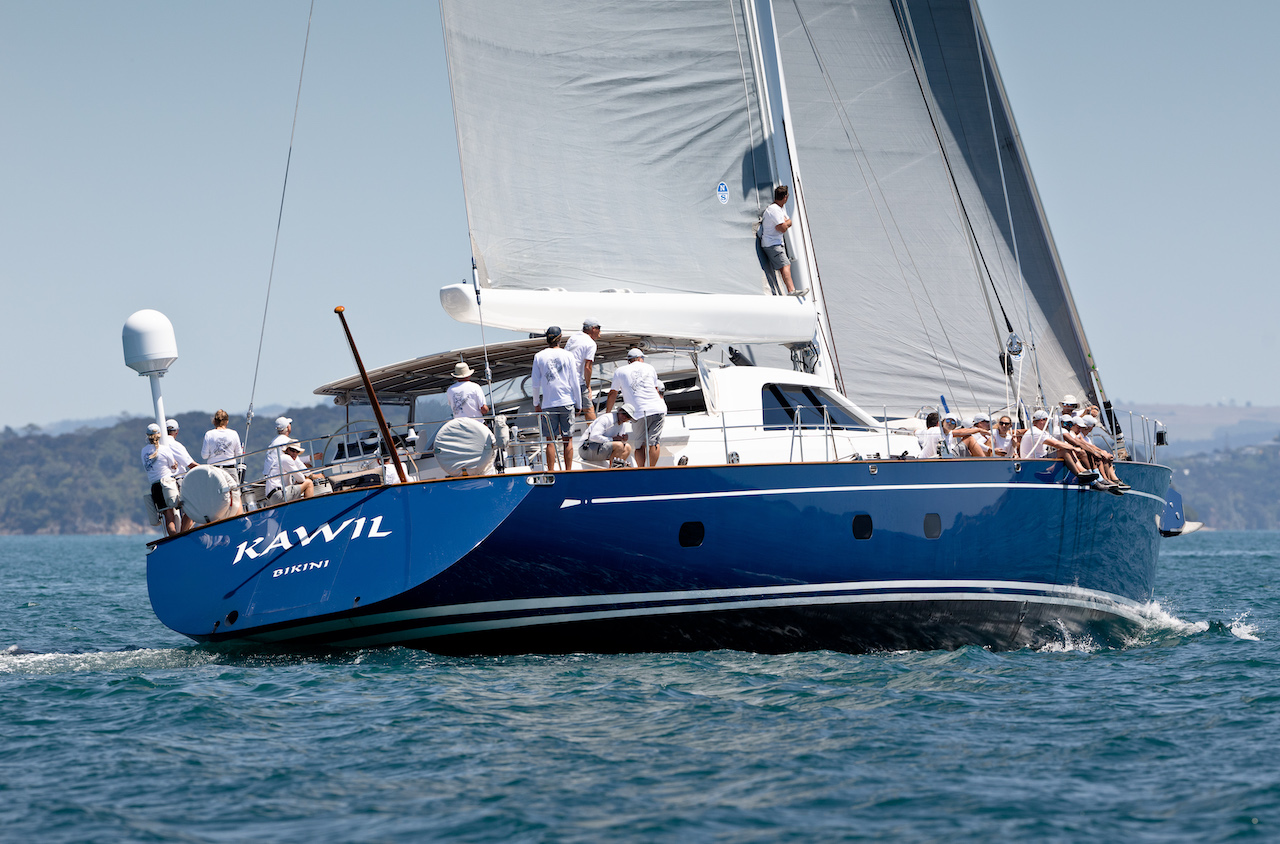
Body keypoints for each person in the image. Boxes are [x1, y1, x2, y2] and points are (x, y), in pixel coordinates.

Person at [606, 348, 667, 467]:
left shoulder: (620, 371)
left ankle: (641, 469)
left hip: (637, 412)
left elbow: (613, 393)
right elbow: (656, 389)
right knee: (653, 442)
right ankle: (652, 469)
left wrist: (608, 413)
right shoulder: (650, 367)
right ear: (640, 358)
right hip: (657, 409)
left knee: (639, 445)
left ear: (629, 360)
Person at [531, 325, 581, 470]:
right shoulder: (568, 355)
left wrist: (536, 403)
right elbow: (575, 381)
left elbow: (535, 383)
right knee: (568, 439)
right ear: (560, 338)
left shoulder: (539, 356)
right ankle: (568, 470)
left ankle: (551, 470)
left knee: (550, 440)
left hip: (548, 403)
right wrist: (578, 403)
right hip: (567, 401)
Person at [1019, 409, 1096, 483]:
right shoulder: (1036, 432)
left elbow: (1057, 442)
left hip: (1039, 459)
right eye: (1048, 421)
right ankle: (1078, 474)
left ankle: (1083, 471)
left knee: (1067, 449)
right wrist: (1074, 448)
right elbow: (1055, 444)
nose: (1048, 424)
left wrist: (1071, 448)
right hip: (1033, 462)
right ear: (1042, 420)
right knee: (1065, 451)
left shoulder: (1041, 432)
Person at [141, 424, 181, 536]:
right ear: (160, 435)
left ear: (147, 436)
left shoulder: (143, 451)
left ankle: (174, 538)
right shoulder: (165, 449)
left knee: (168, 516)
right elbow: (173, 467)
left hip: (156, 487)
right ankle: (182, 534)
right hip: (167, 483)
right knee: (181, 509)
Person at [760, 185, 796, 294]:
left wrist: (785, 223)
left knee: (783, 267)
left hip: (776, 243)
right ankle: (791, 291)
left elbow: (789, 222)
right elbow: (783, 228)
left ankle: (789, 291)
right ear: (785, 197)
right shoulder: (774, 209)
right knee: (786, 265)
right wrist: (785, 223)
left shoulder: (780, 208)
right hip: (772, 244)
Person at [564, 318, 601, 421]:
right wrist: (588, 386)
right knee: (588, 408)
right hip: (576, 380)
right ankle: (594, 430)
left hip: (564, 379)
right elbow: (588, 367)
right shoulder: (590, 343)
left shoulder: (573, 337)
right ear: (593, 329)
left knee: (566, 410)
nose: (600, 332)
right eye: (599, 328)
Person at [579, 403, 635, 467]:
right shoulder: (606, 419)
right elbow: (593, 437)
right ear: (619, 411)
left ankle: (615, 469)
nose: (625, 417)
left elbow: (617, 442)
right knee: (619, 445)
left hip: (599, 449)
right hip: (586, 449)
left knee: (628, 447)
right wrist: (612, 439)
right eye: (624, 413)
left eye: (628, 416)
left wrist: (623, 440)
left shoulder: (623, 424)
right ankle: (613, 470)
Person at [263, 416, 295, 500]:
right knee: (307, 483)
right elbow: (295, 461)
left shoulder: (273, 442)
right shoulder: (287, 441)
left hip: (270, 487)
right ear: (288, 427)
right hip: (281, 488)